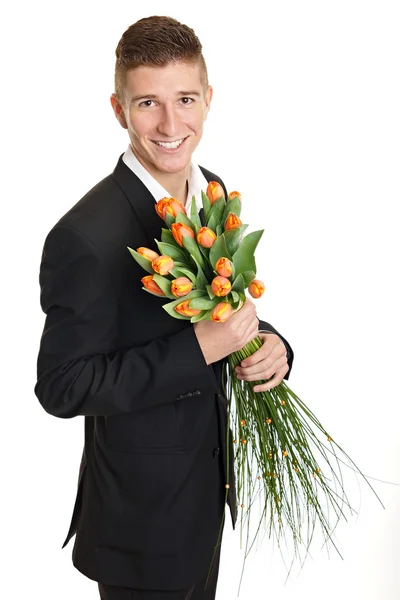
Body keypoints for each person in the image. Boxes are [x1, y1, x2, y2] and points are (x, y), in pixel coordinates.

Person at [35, 15, 294, 600]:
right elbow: (61, 385)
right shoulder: (85, 236)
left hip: (203, 503)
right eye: (148, 102)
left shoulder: (213, 191)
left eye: (185, 99)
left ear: (208, 100)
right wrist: (199, 349)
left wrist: (270, 345)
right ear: (118, 109)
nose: (171, 124)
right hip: (140, 526)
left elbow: (219, 303)